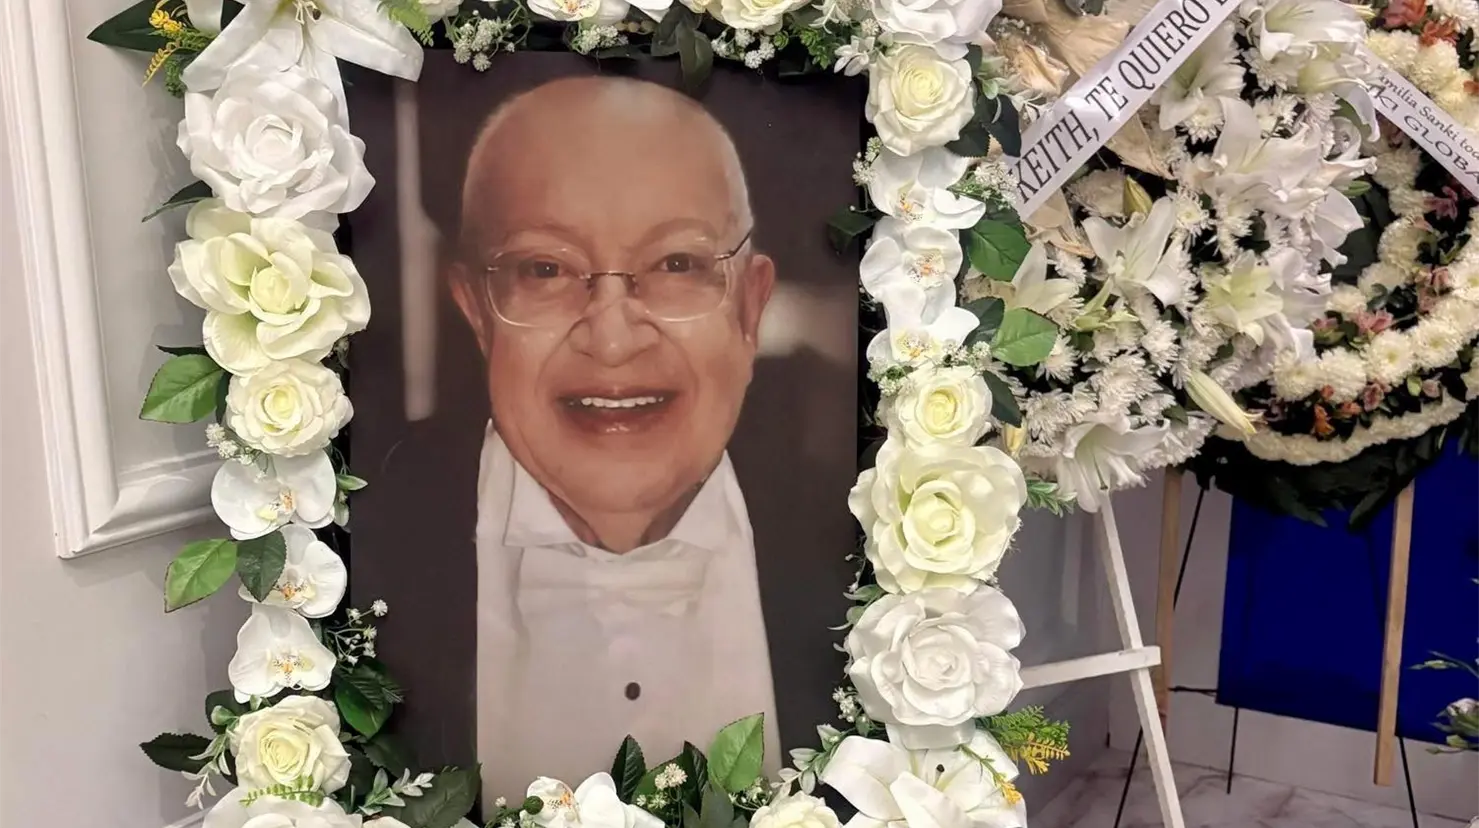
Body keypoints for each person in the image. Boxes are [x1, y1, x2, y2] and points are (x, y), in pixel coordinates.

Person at [445, 75, 782, 804]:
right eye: (545, 269)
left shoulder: (866, 520)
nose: (613, 338)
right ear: (477, 313)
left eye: (677, 265)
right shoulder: (357, 539)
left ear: (750, 308)